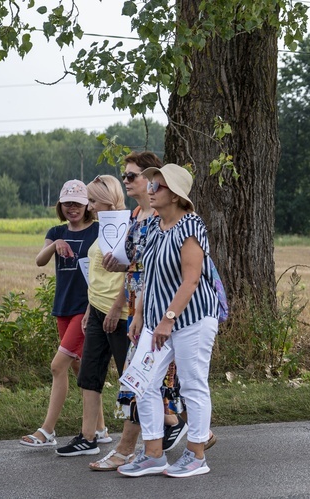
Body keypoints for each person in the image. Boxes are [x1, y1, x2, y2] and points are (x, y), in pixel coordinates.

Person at [88, 152, 202, 471]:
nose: (127, 181)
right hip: (143, 311)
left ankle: (129, 449)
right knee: (149, 383)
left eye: (132, 176)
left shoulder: (169, 219)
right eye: (125, 176)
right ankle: (195, 433)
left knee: (139, 382)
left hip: (170, 314)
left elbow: (183, 272)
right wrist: (121, 273)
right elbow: (137, 268)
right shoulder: (137, 214)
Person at [117, 163, 219, 477]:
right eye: (150, 184)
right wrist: (140, 315)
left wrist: (168, 320)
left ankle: (196, 455)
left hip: (191, 319)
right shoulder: (154, 227)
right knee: (144, 384)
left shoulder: (190, 225)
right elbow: (151, 276)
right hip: (155, 321)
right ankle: (153, 453)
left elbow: (190, 280)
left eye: (157, 186)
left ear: (175, 195)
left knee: (192, 385)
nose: (150, 189)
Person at [20, 180, 107, 448]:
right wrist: (55, 243)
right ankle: (101, 429)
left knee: (58, 366)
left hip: (86, 309)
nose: (73, 208)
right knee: (83, 369)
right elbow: (40, 260)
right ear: (61, 205)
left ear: (87, 206)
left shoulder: (97, 230)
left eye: (78, 203)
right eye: (67, 203)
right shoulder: (56, 231)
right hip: (63, 308)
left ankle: (47, 431)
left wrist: (93, 310)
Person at [55, 175, 130, 456]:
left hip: (118, 313)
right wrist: (90, 309)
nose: (91, 206)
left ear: (108, 200)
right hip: (96, 309)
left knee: (130, 376)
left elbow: (135, 272)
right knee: (90, 374)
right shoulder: (104, 228)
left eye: (94, 201)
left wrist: (114, 307)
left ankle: (169, 422)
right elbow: (97, 273)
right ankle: (88, 437)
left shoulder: (124, 227)